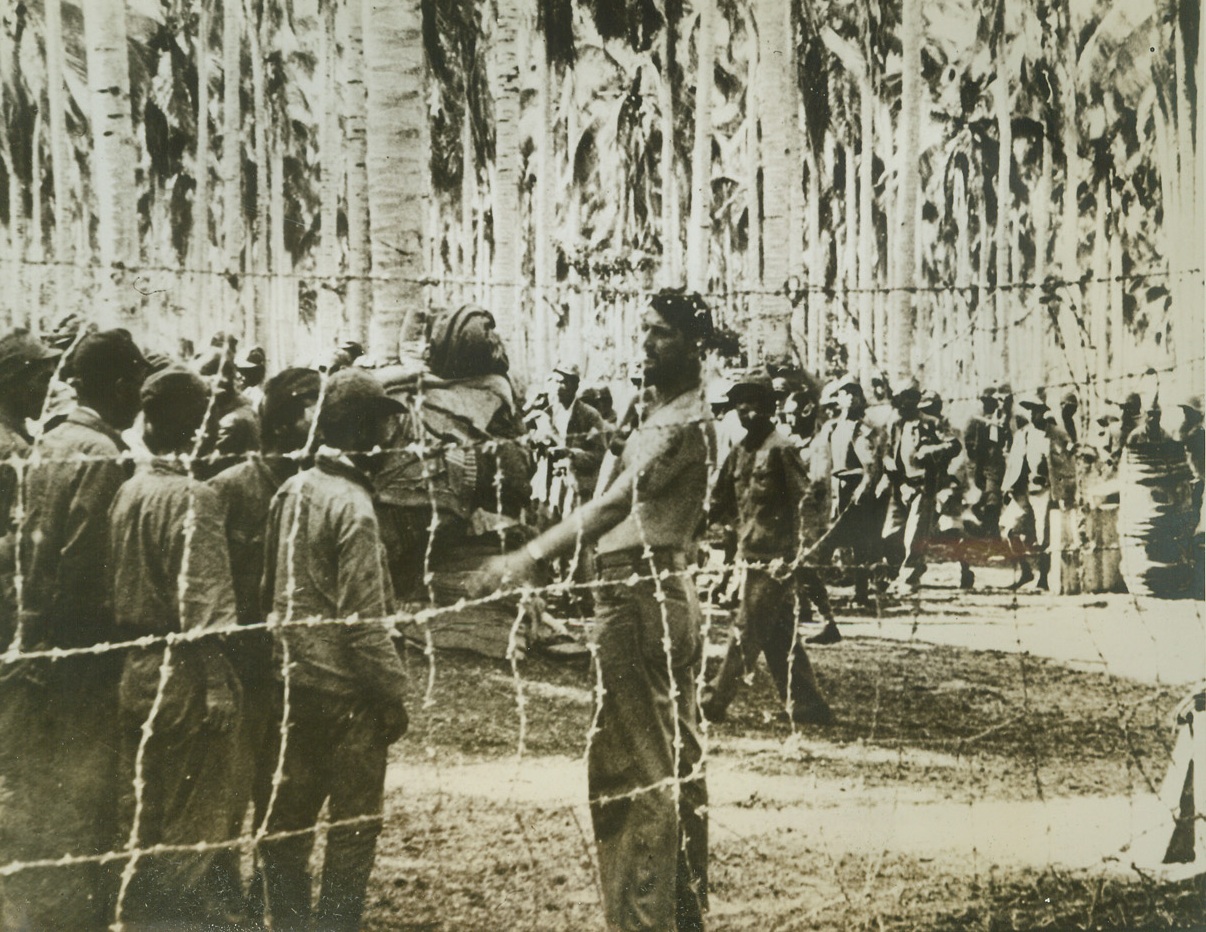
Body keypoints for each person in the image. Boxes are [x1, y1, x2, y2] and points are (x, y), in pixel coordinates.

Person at [469, 288, 714, 931]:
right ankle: (681, 913)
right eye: (646, 330)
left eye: (661, 332)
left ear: (694, 343)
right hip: (657, 591)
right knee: (676, 759)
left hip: (638, 596)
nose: (647, 342)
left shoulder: (682, 421)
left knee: (634, 768)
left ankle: (642, 920)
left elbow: (614, 508)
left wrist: (530, 556)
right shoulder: (669, 414)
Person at [3, 329, 149, 929]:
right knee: (87, 789)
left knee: (44, 780)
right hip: (81, 646)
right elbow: (86, 562)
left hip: (37, 634)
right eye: (136, 388)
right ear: (118, 387)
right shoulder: (101, 454)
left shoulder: (54, 441)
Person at [260, 367, 409, 931]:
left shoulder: (291, 490)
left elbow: (266, 590)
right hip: (348, 699)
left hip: (295, 686)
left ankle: (291, 924)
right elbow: (365, 624)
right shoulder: (354, 508)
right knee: (351, 833)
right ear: (361, 430)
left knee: (287, 829)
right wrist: (392, 695)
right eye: (378, 425)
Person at [108, 365, 243, 925]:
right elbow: (204, 605)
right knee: (195, 814)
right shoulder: (195, 498)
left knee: (145, 807)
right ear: (194, 425)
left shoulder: (129, 489)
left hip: (135, 669)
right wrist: (217, 685)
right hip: (185, 673)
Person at [208, 367, 322, 913]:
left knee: (288, 809)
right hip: (240, 673)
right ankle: (231, 920)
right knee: (226, 810)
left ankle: (280, 911)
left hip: (297, 676)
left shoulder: (317, 490)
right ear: (282, 419)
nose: (318, 416)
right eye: (309, 405)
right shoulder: (227, 490)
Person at [375, 305, 536, 658]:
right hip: (414, 522)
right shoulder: (495, 395)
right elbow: (519, 477)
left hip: (417, 524)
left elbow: (516, 476)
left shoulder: (395, 386)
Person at [700, 374, 835, 725]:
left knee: (747, 629)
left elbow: (805, 503)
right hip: (751, 555)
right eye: (740, 402)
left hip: (777, 559)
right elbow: (717, 501)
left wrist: (799, 555)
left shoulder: (782, 448)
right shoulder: (740, 451)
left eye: (754, 402)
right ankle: (806, 703)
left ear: (769, 407)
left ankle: (713, 700)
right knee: (778, 635)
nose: (746, 409)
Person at [0, 330, 61, 647]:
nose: (49, 390)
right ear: (12, 381)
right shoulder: (8, 448)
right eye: (40, 379)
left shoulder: (17, 436)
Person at [880, 378, 961, 591]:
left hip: (923, 485)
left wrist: (930, 452)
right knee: (890, 533)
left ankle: (910, 578)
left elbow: (954, 445)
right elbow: (886, 452)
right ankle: (894, 573)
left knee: (915, 536)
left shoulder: (931, 422)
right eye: (902, 398)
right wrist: (889, 466)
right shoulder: (895, 424)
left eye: (910, 398)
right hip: (899, 485)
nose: (905, 403)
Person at [819, 376, 884, 606]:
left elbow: (871, 466)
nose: (849, 397)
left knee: (858, 545)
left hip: (854, 493)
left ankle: (861, 595)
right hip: (836, 490)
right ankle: (818, 595)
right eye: (844, 392)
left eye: (853, 393)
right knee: (828, 542)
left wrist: (863, 489)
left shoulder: (860, 429)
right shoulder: (834, 427)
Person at [1001, 395, 1054, 589]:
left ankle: (1043, 578)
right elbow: (1014, 463)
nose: (1034, 415)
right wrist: (1007, 487)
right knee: (1009, 529)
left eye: (1037, 411)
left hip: (1043, 491)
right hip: (1022, 490)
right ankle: (1025, 571)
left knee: (1043, 535)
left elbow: (1058, 465)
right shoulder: (1022, 434)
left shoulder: (1052, 435)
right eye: (1031, 411)